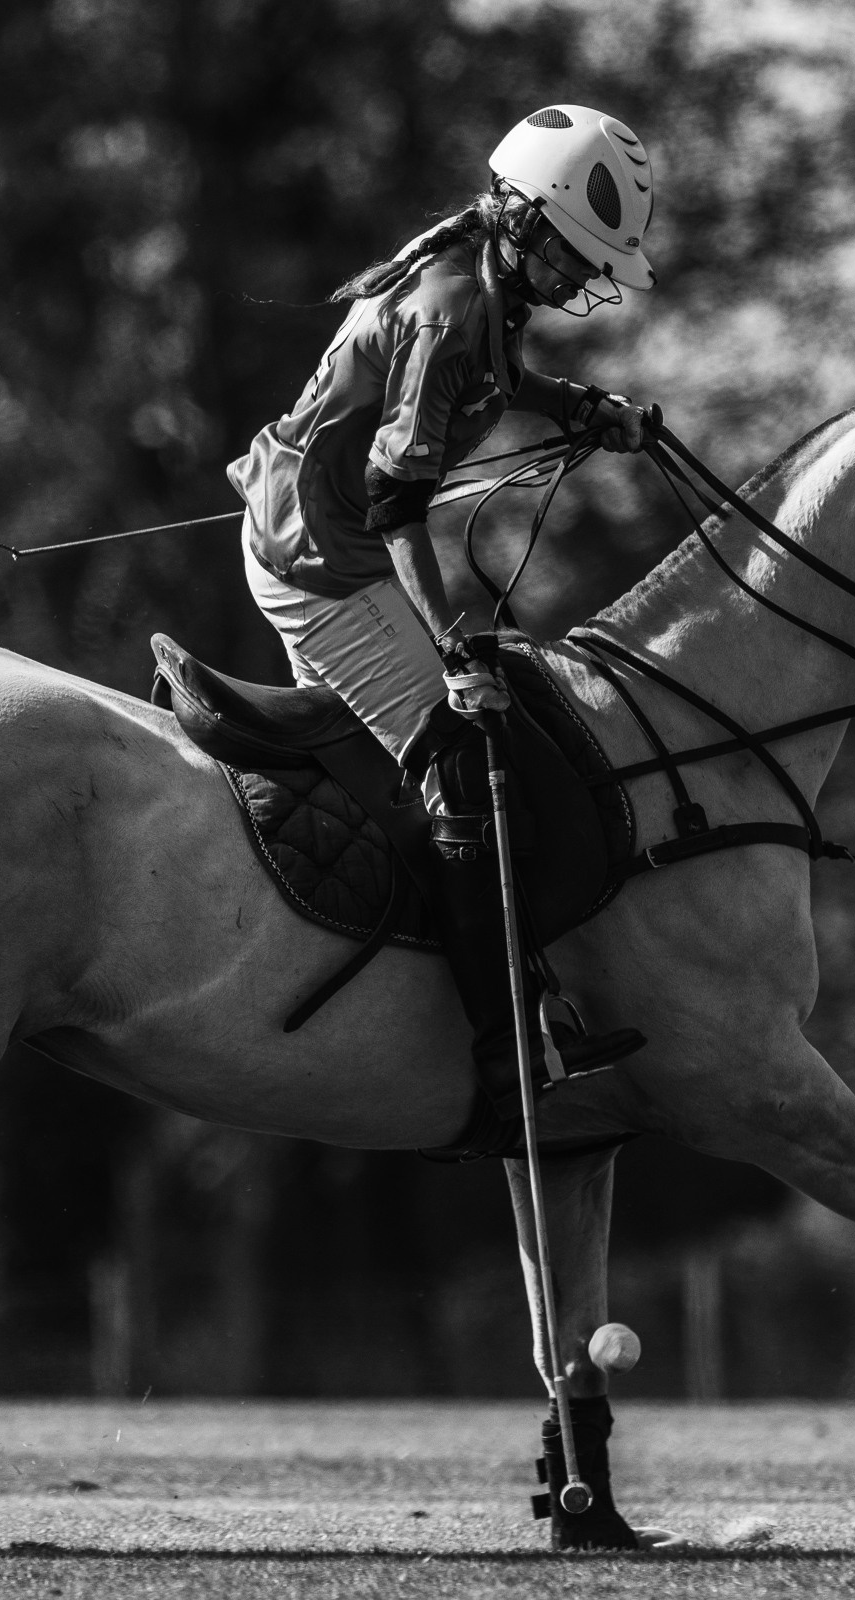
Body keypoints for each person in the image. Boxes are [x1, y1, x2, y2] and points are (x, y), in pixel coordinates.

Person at [227, 104, 656, 1111]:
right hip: (325, 558)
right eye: (565, 255)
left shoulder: (488, 299)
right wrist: (452, 648)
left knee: (433, 751)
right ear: (518, 218)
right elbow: (393, 502)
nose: (572, 281)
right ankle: (505, 1043)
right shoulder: (453, 304)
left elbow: (494, 378)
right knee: (461, 756)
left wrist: (580, 408)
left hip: (330, 536)